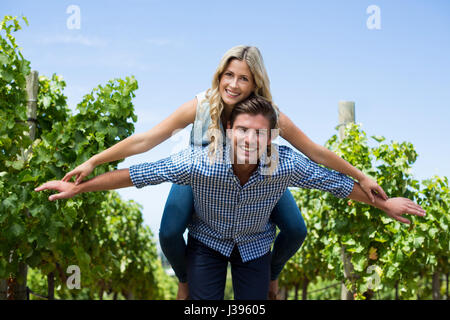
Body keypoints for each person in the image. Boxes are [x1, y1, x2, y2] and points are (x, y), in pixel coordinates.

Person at [59, 45, 388, 299]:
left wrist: (361, 176)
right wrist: (94, 162)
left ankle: (270, 274)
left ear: (255, 82)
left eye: (243, 77)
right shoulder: (203, 104)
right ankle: (185, 280)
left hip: (260, 177)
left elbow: (315, 153)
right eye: (228, 75)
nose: (233, 84)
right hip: (202, 175)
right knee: (171, 231)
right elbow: (147, 140)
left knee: (297, 229)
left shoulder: (269, 114)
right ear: (219, 75)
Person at [35, 95, 426, 300]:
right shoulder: (199, 163)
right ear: (226, 129)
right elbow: (137, 174)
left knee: (291, 238)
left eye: (259, 133)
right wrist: (80, 185)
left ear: (271, 137)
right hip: (207, 243)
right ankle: (184, 280)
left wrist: (383, 202)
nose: (250, 140)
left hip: (255, 246)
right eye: (242, 130)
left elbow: (335, 182)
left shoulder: (285, 165)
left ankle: (272, 276)